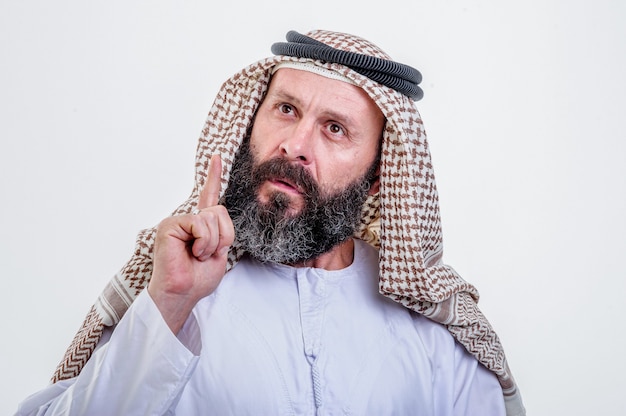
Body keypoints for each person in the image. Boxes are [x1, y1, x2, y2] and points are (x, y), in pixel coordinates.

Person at [16, 30, 525, 415]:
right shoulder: (175, 297)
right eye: (285, 109)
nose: (296, 145)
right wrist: (167, 305)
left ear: (378, 178)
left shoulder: (435, 334)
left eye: (335, 129)